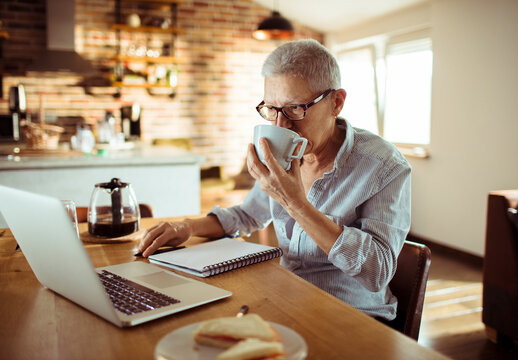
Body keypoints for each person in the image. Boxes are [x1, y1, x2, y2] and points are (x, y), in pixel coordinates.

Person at [138, 39, 411, 321]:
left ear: (336, 103)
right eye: (272, 109)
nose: (281, 125)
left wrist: (295, 203)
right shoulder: (287, 153)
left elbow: (377, 271)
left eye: (295, 108)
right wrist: (186, 226)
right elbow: (246, 215)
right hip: (287, 298)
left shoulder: (384, 166)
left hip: (353, 315)